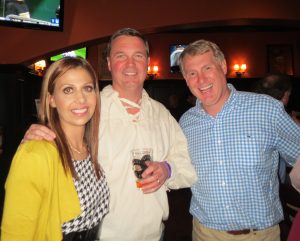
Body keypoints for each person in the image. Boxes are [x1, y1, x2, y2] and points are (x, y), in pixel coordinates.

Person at [22, 28, 197, 241]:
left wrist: (167, 169)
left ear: (148, 62)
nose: (130, 64)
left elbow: (187, 165)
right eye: (121, 56)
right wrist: (38, 138)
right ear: (108, 63)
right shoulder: (88, 109)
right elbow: (53, 149)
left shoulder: (162, 114)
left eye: (138, 56)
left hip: (154, 235)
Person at [178, 39, 300, 241]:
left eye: (207, 68)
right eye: (192, 73)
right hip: (204, 233)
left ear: (223, 66)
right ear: (186, 79)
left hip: (259, 235)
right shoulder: (186, 122)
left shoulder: (266, 109)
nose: (201, 79)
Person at [1, 57, 110, 241]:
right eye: (68, 90)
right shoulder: (35, 155)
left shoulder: (90, 147)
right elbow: (15, 233)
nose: (81, 98)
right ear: (51, 99)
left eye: (88, 88)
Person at [253, 73, 292, 183]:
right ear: (284, 97)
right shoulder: (278, 119)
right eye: (288, 95)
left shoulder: (248, 113)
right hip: (275, 185)